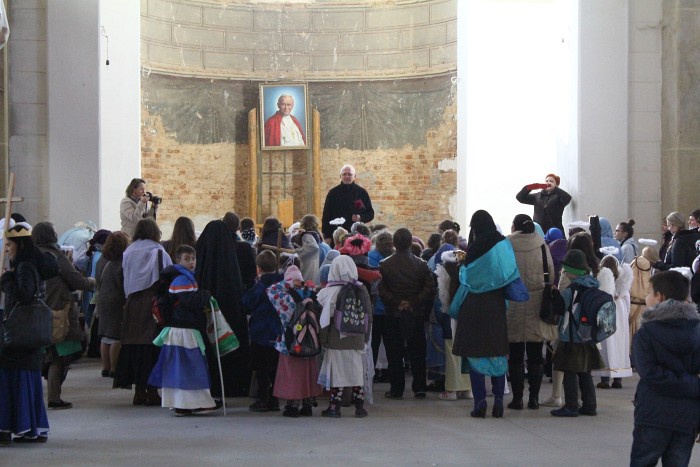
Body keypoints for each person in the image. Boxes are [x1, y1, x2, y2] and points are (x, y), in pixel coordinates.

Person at [449, 210, 519, 419]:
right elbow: (511, 271)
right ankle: (498, 399)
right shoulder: (503, 244)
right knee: (496, 350)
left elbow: (467, 277)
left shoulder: (474, 248)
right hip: (496, 304)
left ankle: (480, 401)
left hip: (473, 305)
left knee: (475, 353)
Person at [630, 270, 700, 467]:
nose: (646, 297)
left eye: (649, 292)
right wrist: (694, 384)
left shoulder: (646, 333)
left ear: (660, 296)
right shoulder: (697, 331)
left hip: (653, 414)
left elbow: (650, 375)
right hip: (687, 418)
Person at [0, 225, 59, 444]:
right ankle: (28, 427)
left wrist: (6, 281)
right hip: (29, 335)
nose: (8, 250)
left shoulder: (24, 266)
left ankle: (17, 427)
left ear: (20, 245)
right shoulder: (32, 263)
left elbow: (23, 295)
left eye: (10, 245)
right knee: (25, 381)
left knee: (12, 379)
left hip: (19, 334)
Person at [147, 245, 220, 417]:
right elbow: (189, 301)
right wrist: (206, 295)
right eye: (187, 259)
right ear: (178, 260)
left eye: (193, 258)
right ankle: (197, 403)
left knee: (179, 369)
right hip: (185, 330)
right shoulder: (182, 280)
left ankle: (182, 404)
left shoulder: (179, 277)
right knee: (193, 367)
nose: (191, 262)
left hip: (179, 330)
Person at [32, 222, 96, 410]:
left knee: (44, 354)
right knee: (60, 356)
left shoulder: (31, 256)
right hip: (59, 312)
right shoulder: (56, 256)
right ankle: (54, 397)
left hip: (36, 312)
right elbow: (74, 279)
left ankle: (40, 396)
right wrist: (91, 282)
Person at [114, 218, 172, 406]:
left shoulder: (129, 251)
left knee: (134, 345)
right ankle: (152, 390)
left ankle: (139, 391)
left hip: (132, 303)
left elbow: (125, 276)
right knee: (151, 345)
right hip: (152, 303)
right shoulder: (157, 250)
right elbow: (166, 276)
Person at [506, 214, 556, 411]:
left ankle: (517, 399)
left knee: (516, 355)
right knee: (536, 355)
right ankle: (534, 399)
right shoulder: (542, 245)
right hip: (537, 303)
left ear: (514, 226)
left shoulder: (507, 245)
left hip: (514, 301)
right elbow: (550, 274)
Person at [378, 228, 435, 400]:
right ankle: (419, 387)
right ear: (411, 243)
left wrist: (397, 302)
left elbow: (381, 288)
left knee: (394, 353)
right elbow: (429, 287)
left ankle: (396, 389)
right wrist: (414, 302)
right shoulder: (421, 264)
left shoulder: (385, 264)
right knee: (417, 351)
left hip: (393, 314)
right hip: (415, 313)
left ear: (394, 243)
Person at [196, 220, 250, 397]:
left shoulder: (202, 255)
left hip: (206, 311)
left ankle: (210, 383)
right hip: (230, 311)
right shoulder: (230, 259)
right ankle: (234, 384)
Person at [550, 249, 605, 418]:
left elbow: (559, 308)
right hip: (587, 336)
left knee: (569, 372)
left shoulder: (572, 290)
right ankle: (590, 405)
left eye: (566, 270)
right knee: (585, 372)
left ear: (572, 271)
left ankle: (571, 405)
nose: (564, 272)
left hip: (571, 337)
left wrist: (553, 294)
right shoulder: (592, 284)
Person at [317, 255, 372, 418]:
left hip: (336, 340)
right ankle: (360, 407)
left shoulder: (331, 290)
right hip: (357, 339)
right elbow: (369, 316)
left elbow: (325, 320)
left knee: (337, 375)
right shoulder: (361, 289)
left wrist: (324, 339)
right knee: (356, 373)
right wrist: (365, 338)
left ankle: (335, 407)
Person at [268, 266, 323, 417]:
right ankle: (308, 405)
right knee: (308, 372)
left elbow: (270, 290)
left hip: (290, 342)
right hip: (310, 342)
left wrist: (286, 284)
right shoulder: (312, 294)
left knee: (292, 373)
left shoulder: (286, 298)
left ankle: (292, 405)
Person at [242, 251, 284, 413]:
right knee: (275, 367)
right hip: (278, 332)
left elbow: (247, 303)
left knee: (261, 369)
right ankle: (275, 398)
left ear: (258, 268)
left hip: (261, 332)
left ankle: (262, 398)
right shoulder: (281, 284)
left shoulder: (259, 287)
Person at [593, 255, 633, 389]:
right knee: (620, 346)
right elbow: (627, 303)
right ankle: (618, 379)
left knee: (606, 344)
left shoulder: (601, 281)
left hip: (606, 311)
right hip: (620, 314)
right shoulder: (623, 285)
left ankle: (604, 378)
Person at [96, 231, 129, 379]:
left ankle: (105, 367)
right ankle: (115, 368)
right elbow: (124, 283)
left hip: (102, 299)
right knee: (116, 337)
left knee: (105, 336)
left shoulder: (102, 260)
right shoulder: (122, 262)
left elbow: (97, 279)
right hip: (117, 299)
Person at [321, 165, 374, 242]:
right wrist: (326, 236)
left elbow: (370, 214)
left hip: (357, 236)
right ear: (340, 176)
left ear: (354, 176)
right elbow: (326, 216)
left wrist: (360, 217)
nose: (347, 176)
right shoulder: (332, 193)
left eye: (349, 174)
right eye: (344, 174)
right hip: (337, 236)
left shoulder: (361, 193)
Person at [222, 212, 257, 293]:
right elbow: (252, 273)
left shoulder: (216, 245)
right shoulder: (245, 248)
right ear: (238, 228)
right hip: (240, 289)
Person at [291, 215, 322, 285]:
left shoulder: (306, 236)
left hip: (306, 274)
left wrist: (296, 251)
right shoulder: (318, 239)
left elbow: (314, 248)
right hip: (313, 275)